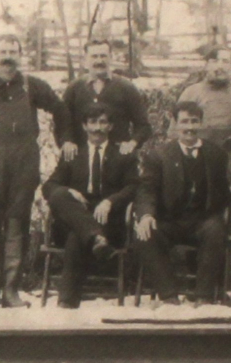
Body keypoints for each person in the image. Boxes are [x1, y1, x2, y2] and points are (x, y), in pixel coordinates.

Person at [0, 34, 69, 309]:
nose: (8, 57)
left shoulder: (32, 87)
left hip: (23, 165)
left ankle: (10, 291)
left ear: (21, 56)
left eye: (13, 51)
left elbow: (59, 108)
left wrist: (64, 139)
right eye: (3, 52)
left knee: (17, 222)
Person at [133, 102, 231, 305]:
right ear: (175, 124)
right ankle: (169, 297)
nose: (189, 127)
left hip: (203, 220)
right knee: (146, 233)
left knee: (215, 230)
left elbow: (227, 190)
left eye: (194, 122)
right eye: (184, 121)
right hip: (170, 220)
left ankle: (204, 297)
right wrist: (146, 215)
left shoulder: (217, 155)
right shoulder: (159, 155)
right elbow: (146, 189)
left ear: (201, 124)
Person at [41, 103, 138, 308]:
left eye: (103, 122)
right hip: (78, 215)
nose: (97, 128)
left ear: (110, 126)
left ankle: (67, 302)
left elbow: (133, 187)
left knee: (78, 234)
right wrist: (70, 192)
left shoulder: (123, 154)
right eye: (92, 122)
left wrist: (110, 201)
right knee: (59, 193)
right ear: (84, 126)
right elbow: (49, 186)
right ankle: (94, 236)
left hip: (109, 223)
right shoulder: (74, 154)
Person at [60, 39, 152, 162]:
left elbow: (143, 126)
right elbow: (62, 121)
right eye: (94, 56)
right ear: (85, 60)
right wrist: (67, 141)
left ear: (111, 58)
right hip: (82, 159)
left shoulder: (126, 87)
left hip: (117, 159)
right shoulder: (74, 88)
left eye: (103, 56)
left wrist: (132, 143)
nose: (99, 61)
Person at [176, 46, 231, 143]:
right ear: (206, 65)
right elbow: (175, 129)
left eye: (225, 61)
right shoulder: (192, 92)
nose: (220, 66)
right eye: (214, 61)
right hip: (201, 151)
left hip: (230, 153)